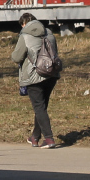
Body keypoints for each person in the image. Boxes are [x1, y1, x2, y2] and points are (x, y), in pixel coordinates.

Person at [11, 12, 58, 148]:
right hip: (51, 74)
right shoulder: (49, 33)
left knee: (39, 108)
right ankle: (35, 137)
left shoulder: (25, 36)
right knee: (42, 107)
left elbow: (16, 57)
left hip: (34, 75)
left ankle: (49, 139)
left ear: (24, 24)